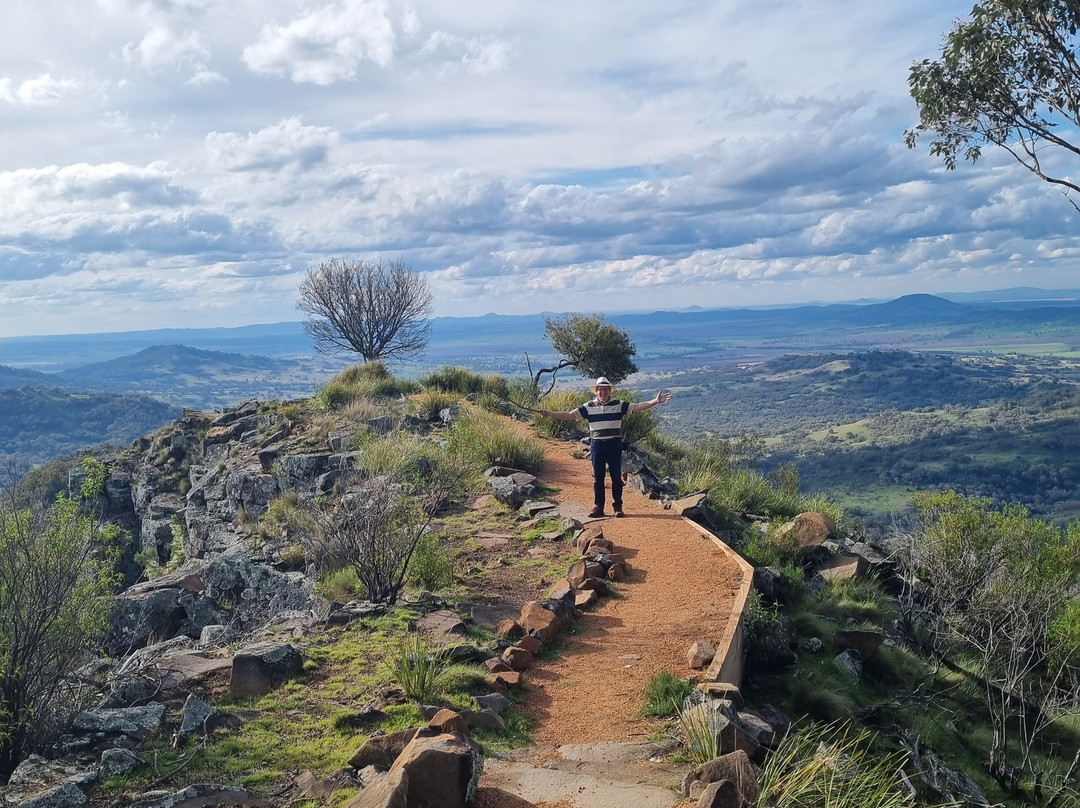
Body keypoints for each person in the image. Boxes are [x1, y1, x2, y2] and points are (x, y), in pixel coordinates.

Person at [538, 377, 672, 518]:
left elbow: (637, 407)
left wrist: (655, 401)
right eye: (600, 389)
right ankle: (598, 507)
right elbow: (571, 415)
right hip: (597, 445)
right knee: (598, 478)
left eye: (605, 389)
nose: (602, 392)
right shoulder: (589, 406)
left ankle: (618, 507)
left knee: (616, 477)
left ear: (609, 391)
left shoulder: (618, 405)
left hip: (614, 444)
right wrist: (550, 414)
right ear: (596, 391)